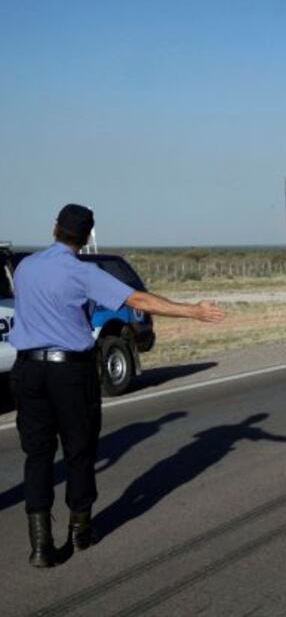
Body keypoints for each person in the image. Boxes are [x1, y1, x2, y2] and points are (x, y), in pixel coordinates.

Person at [9, 204, 225, 568]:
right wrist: (194, 311)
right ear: (88, 236)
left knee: (38, 455)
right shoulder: (82, 273)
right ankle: (81, 529)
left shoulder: (26, 267)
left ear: (54, 229)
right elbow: (138, 300)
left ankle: (41, 544)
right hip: (69, 372)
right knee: (79, 450)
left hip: (27, 370)